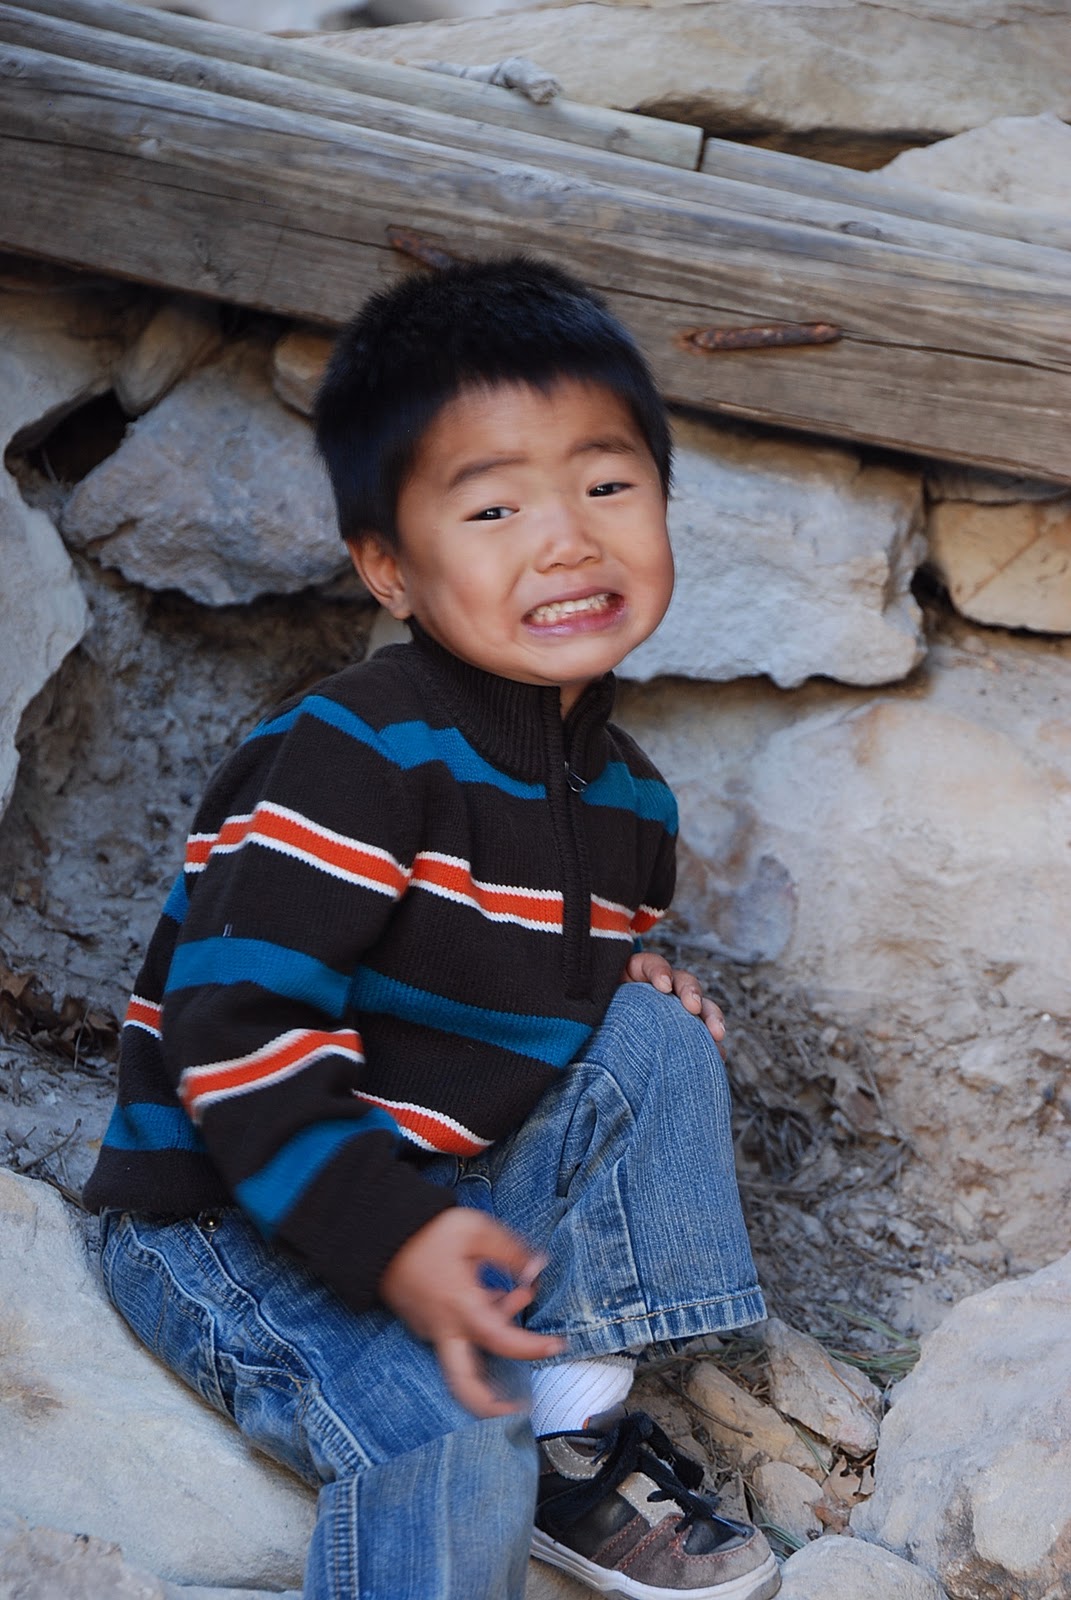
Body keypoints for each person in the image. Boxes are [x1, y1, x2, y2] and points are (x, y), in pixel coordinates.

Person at [84, 257, 778, 1600]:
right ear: (390, 568)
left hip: (437, 1182)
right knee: (451, 1435)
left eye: (608, 485)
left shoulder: (632, 800)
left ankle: (569, 1427)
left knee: (656, 1031)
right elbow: (231, 1026)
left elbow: (529, 974)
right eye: (496, 506)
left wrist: (617, 982)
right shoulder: (358, 748)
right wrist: (393, 1241)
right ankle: (495, 1438)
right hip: (234, 1213)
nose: (565, 540)